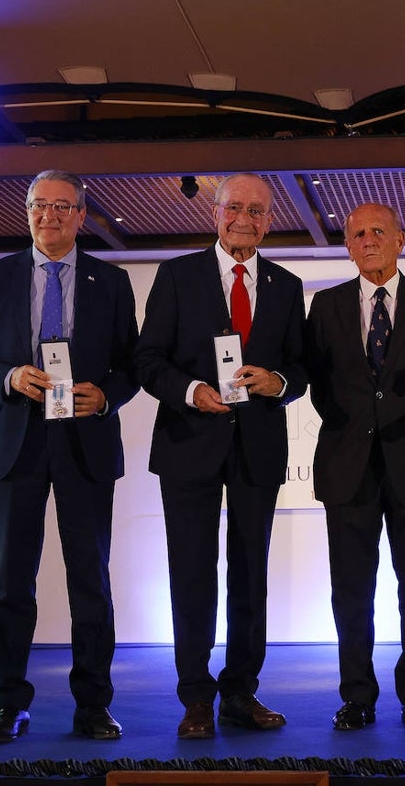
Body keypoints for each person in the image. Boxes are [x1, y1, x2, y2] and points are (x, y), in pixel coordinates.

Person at [0, 169, 138, 744]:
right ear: (26, 211)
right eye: (38, 205)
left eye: (62, 206)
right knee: (11, 583)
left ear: (83, 215)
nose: (48, 215)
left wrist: (106, 395)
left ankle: (93, 706)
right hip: (15, 444)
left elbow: (133, 364)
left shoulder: (113, 281)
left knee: (90, 580)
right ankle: (10, 704)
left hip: (85, 441)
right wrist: (6, 377)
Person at [134, 173, 307, 739]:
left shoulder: (285, 285)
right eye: (235, 207)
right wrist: (190, 391)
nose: (244, 219)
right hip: (189, 442)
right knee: (191, 575)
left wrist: (276, 380)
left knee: (250, 575)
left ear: (269, 220)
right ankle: (195, 699)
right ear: (216, 211)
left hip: (257, 447)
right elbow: (149, 359)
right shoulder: (177, 275)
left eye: (257, 211)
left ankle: (240, 692)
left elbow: (303, 370)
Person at [305, 203, 405, 733]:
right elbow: (319, 383)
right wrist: (357, 428)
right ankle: (357, 697)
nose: (368, 240)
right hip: (348, 468)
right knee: (350, 589)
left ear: (400, 240)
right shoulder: (324, 306)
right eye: (357, 234)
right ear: (347, 245)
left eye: (378, 232)